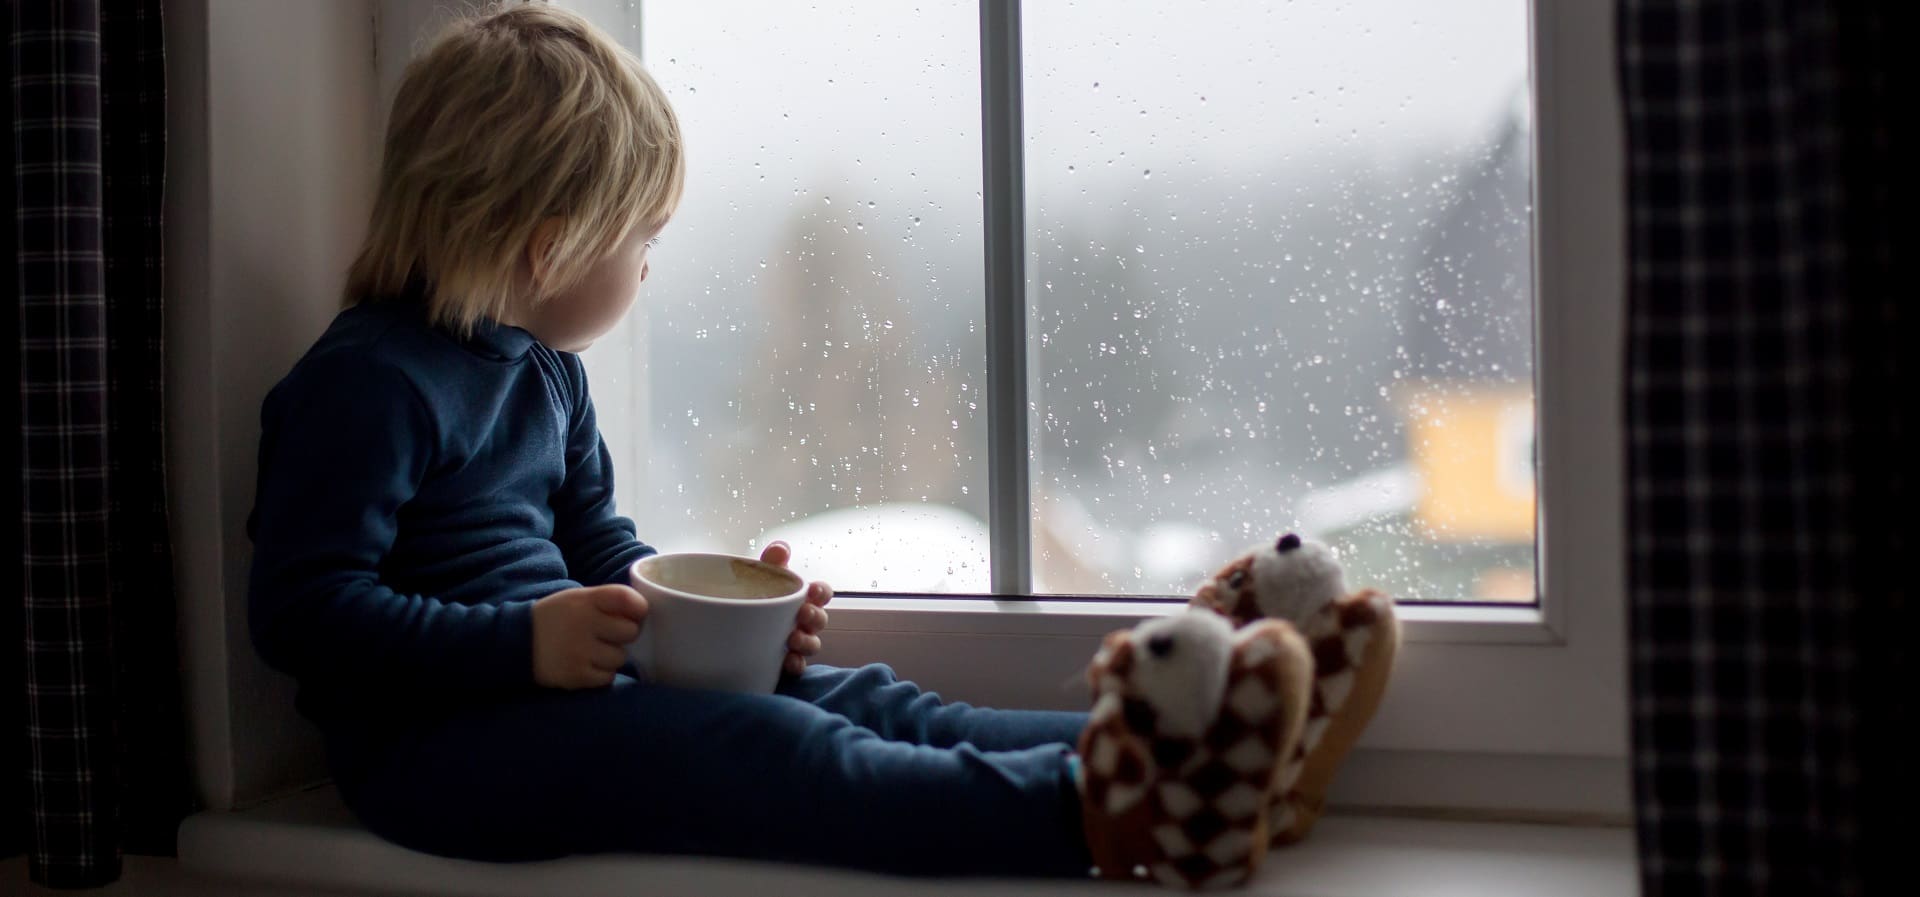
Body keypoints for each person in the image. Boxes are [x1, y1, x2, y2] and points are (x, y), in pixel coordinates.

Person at [247, 3, 1310, 885]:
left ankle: (1161, 745)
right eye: (643, 237)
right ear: (550, 241)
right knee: (778, 752)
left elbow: (600, 545)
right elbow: (304, 612)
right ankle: (1114, 814)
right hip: (443, 756)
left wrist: (719, 622)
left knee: (861, 698)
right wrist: (519, 645)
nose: (650, 263)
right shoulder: (367, 384)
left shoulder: (545, 375)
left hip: (560, 701)